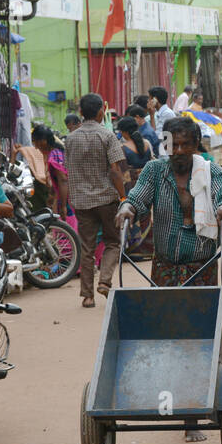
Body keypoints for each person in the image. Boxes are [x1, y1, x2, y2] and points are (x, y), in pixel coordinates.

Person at [118, 117, 222, 441]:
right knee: (170, 337)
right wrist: (128, 208)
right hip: (167, 268)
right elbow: (139, 197)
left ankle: (196, 411)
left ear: (196, 144)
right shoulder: (156, 171)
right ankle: (179, 403)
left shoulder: (209, 171)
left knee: (201, 338)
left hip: (202, 266)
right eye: (175, 144)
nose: (180, 151)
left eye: (186, 144)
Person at [67, 93, 127, 307]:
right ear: (102, 111)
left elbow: (69, 171)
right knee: (112, 242)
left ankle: (87, 296)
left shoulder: (70, 139)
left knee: (87, 248)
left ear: (81, 113)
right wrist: (123, 196)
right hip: (106, 199)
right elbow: (116, 170)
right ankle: (104, 281)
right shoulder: (107, 136)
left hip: (82, 202)